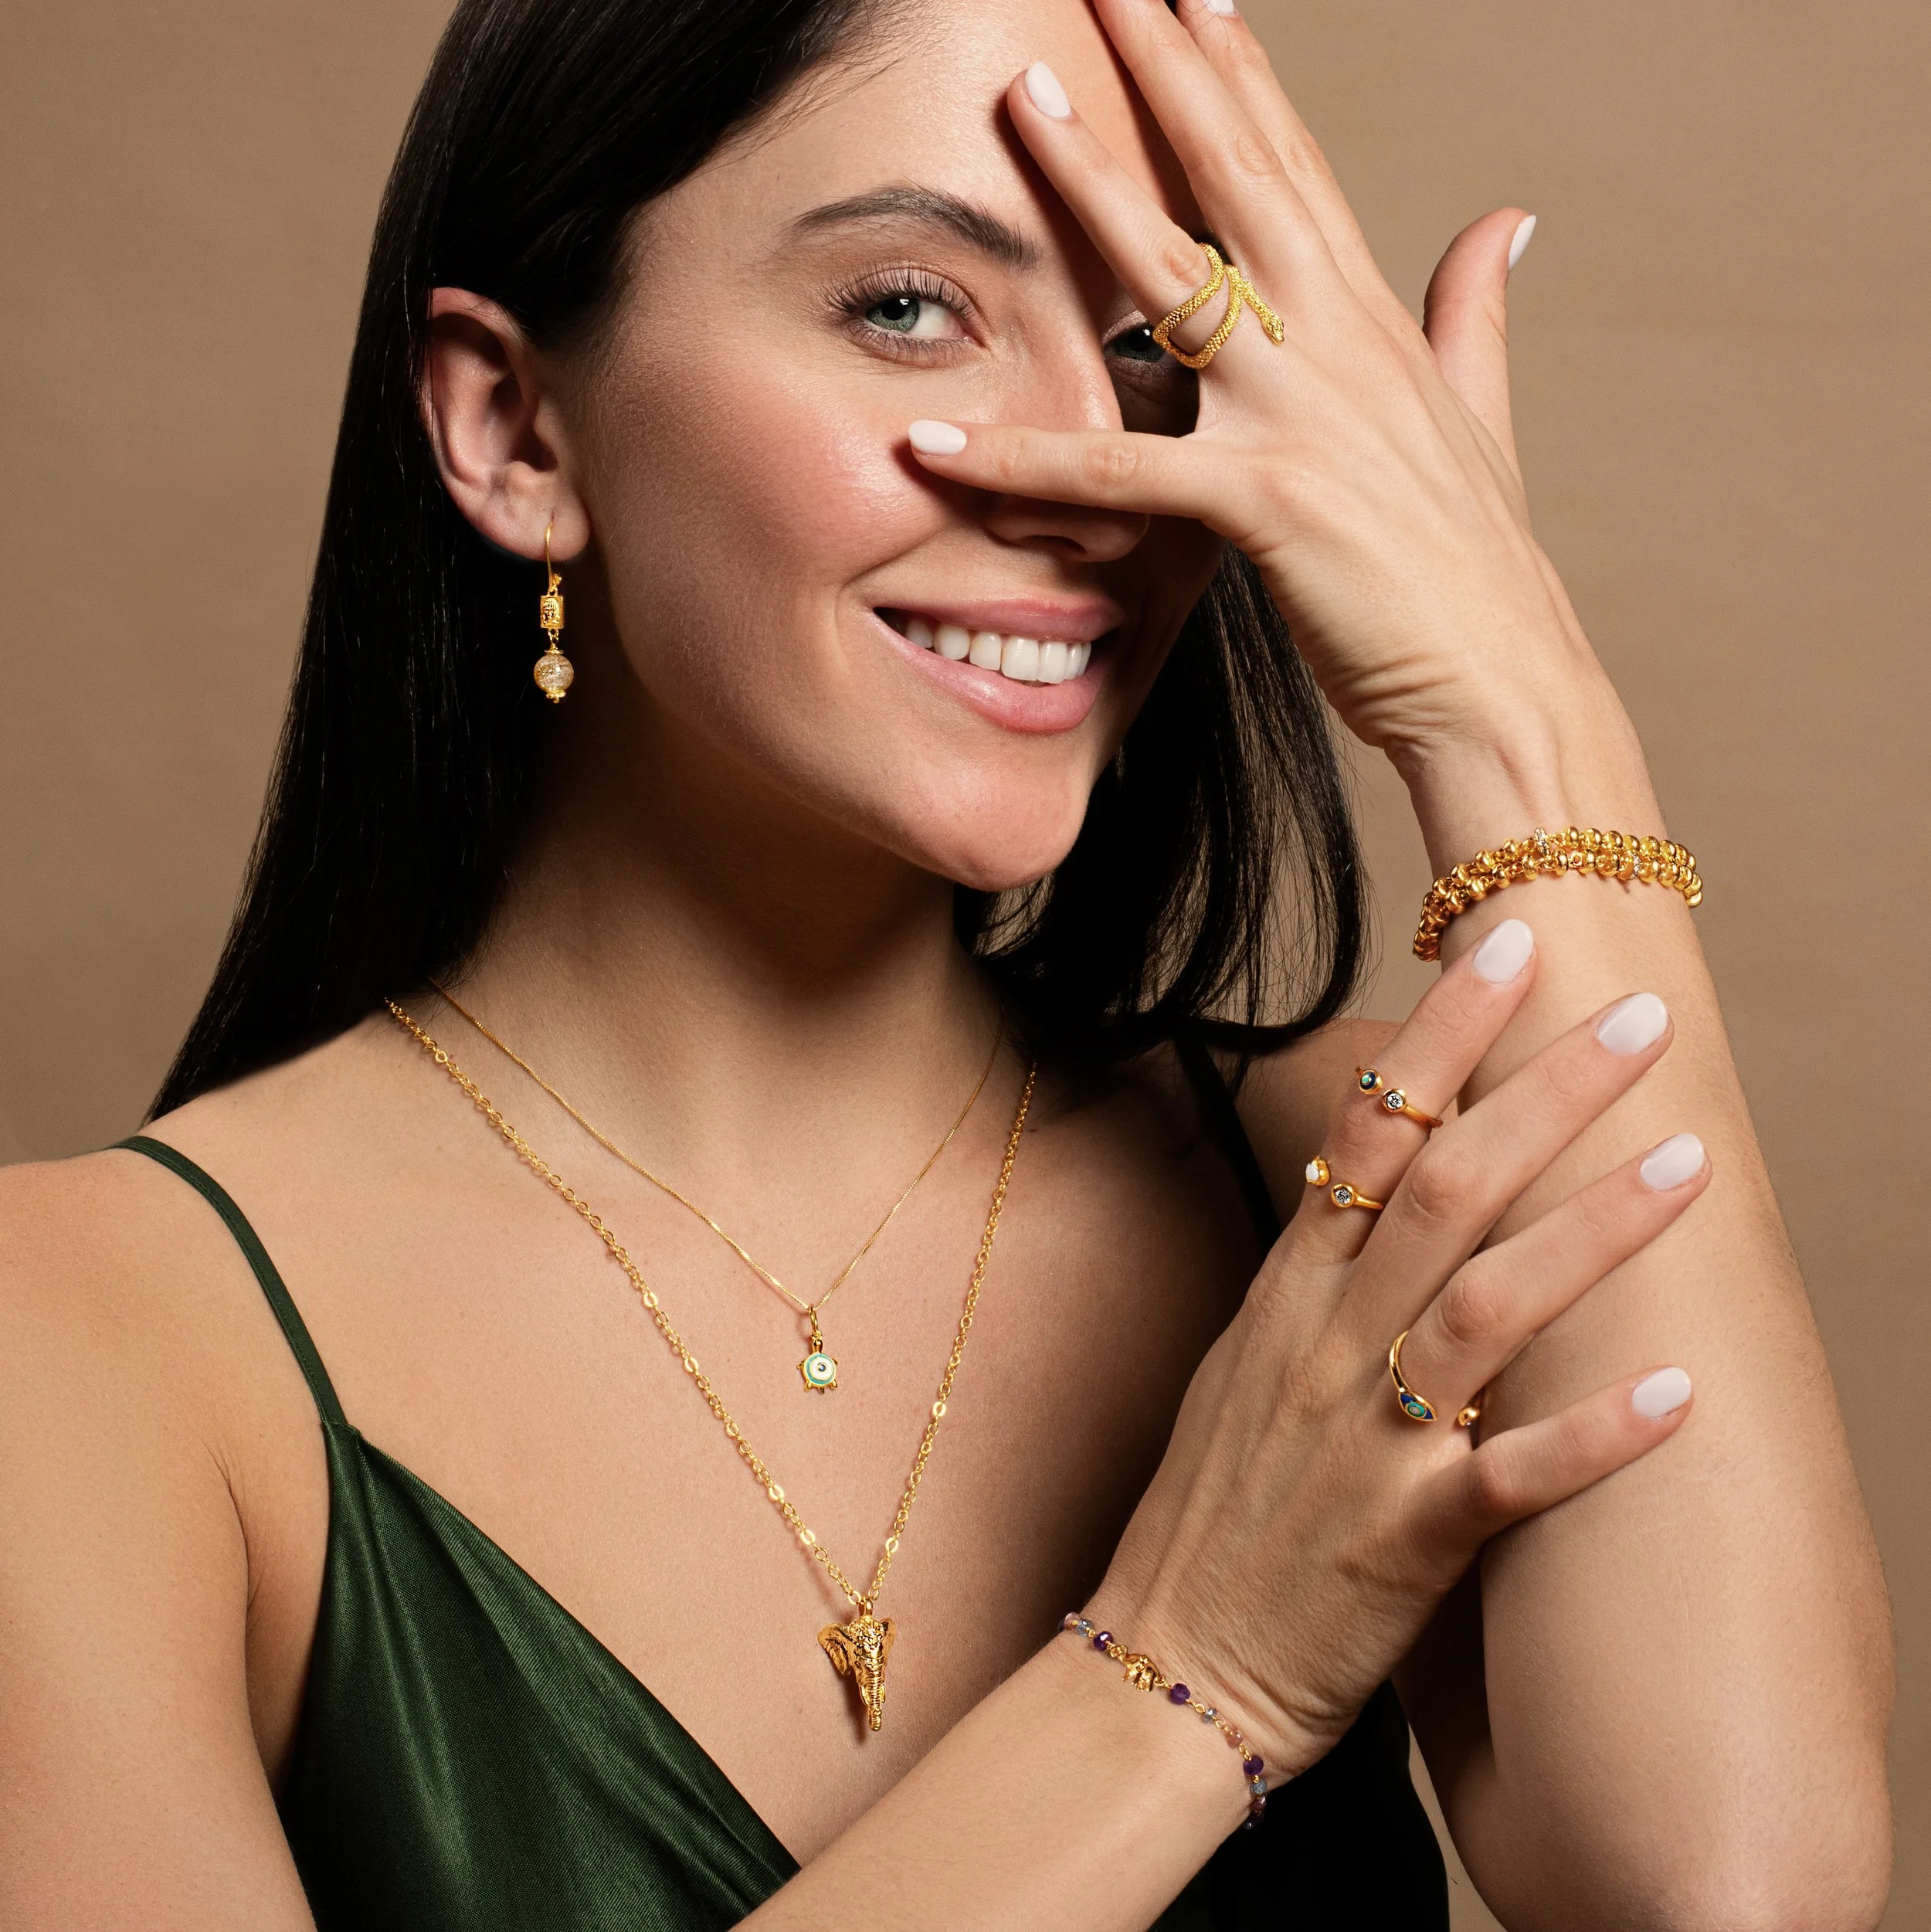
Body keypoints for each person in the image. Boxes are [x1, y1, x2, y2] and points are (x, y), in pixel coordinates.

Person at [0, 0, 1892, 1926]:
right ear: (512, 423)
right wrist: (1182, 1681)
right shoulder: (91, 1352)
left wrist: (1505, 696)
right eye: (909, 304)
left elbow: (1727, 1897)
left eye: (1157, 344)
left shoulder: (1371, 1172)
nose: (1094, 468)